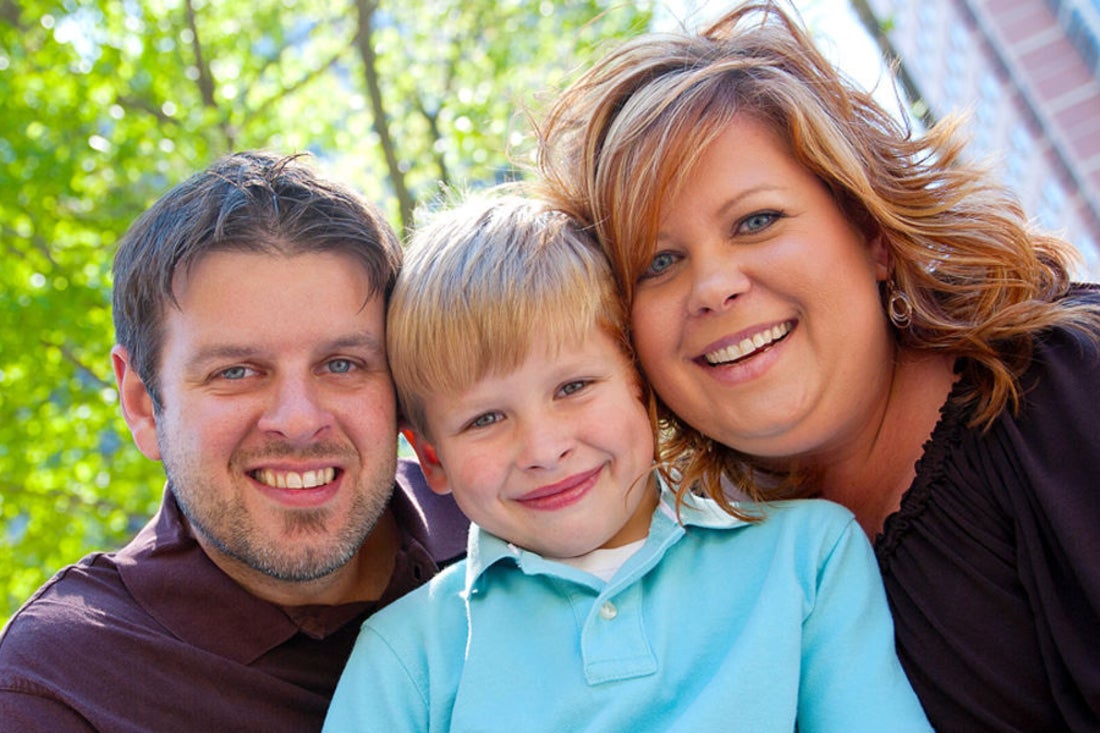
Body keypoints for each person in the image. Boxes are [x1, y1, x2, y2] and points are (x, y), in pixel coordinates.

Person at [534, 1, 1100, 730]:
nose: (713, 287)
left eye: (756, 221)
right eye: (659, 262)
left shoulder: (1066, 382)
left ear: (871, 229)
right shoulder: (706, 583)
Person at [321, 192, 932, 732]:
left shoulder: (807, 557)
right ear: (431, 458)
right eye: (485, 419)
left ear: (640, 382)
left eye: (574, 387)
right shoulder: (406, 659)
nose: (543, 450)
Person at [0, 151, 468, 731]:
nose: (298, 421)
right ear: (144, 405)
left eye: (342, 364)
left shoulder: (505, 522)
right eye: (236, 372)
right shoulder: (62, 684)